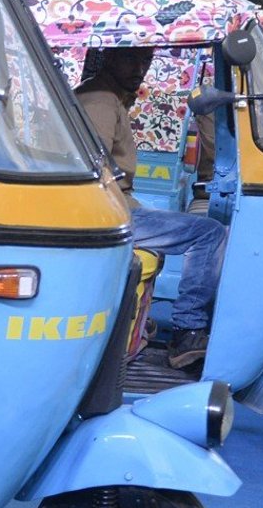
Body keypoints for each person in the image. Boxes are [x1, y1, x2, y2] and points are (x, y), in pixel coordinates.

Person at [74, 47, 226, 368]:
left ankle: (143, 322)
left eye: (145, 60)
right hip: (106, 215)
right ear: (110, 58)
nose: (139, 68)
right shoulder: (100, 102)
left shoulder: (110, 97)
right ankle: (188, 329)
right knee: (208, 234)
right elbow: (89, 169)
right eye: (131, 59)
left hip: (116, 208)